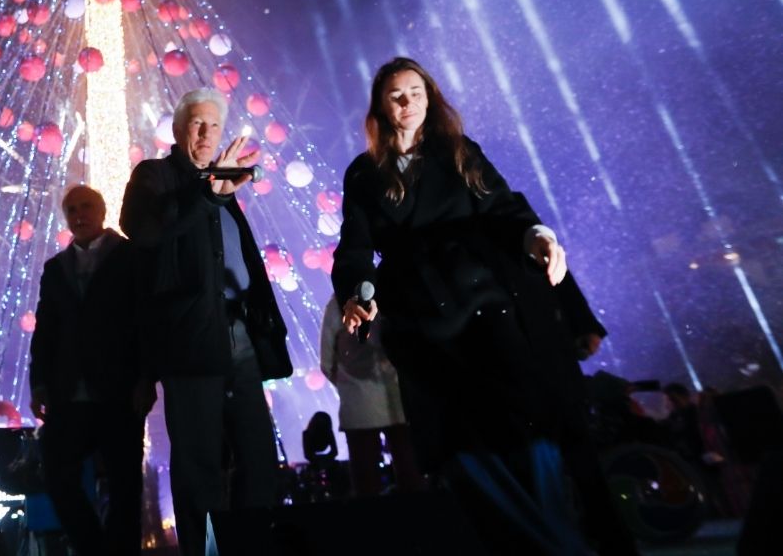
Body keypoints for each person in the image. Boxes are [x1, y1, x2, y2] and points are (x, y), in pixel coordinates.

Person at [332, 57, 599, 555]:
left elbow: (503, 206)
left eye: (416, 91)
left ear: (430, 98)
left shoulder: (458, 152)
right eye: (396, 94)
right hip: (419, 320)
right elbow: (354, 246)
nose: (408, 102)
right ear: (380, 105)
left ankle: (558, 539)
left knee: (523, 423)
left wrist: (536, 234)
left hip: (482, 304)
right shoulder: (364, 173)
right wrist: (357, 294)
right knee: (457, 443)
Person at [120, 88, 293, 556]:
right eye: (196, 123)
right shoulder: (155, 176)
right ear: (177, 131)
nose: (205, 132)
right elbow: (145, 229)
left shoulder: (222, 183)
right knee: (199, 467)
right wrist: (206, 194)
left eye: (214, 125)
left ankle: (254, 546)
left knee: (258, 460)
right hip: (190, 342)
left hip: (239, 339)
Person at [28, 185, 147, 556]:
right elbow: (45, 328)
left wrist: (146, 378)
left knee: (125, 482)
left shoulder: (130, 257)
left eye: (86, 207)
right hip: (69, 391)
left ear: (102, 210)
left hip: (117, 388)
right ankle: (94, 548)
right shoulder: (55, 268)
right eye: (72, 210)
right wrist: (39, 382)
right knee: (57, 473)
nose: (79, 215)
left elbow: (145, 321)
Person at [318, 297, 423, 496]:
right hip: (398, 401)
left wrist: (347, 384)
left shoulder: (336, 305)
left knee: (366, 484)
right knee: (412, 475)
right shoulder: (389, 293)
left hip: (358, 404)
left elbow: (326, 363)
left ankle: (372, 525)